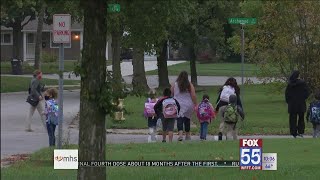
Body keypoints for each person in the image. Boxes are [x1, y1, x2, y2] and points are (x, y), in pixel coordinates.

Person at [171, 71, 197, 141]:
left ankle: (180, 135)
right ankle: (188, 135)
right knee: (187, 119)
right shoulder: (189, 85)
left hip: (178, 104)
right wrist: (195, 104)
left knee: (179, 119)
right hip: (189, 105)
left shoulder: (175, 84)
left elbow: (172, 94)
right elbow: (193, 95)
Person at [285, 70, 310, 138]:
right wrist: (303, 98)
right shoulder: (303, 83)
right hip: (301, 104)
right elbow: (307, 92)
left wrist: (289, 101)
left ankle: (293, 133)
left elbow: (287, 94)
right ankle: (301, 132)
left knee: (292, 119)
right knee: (301, 118)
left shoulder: (290, 84)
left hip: (292, 104)